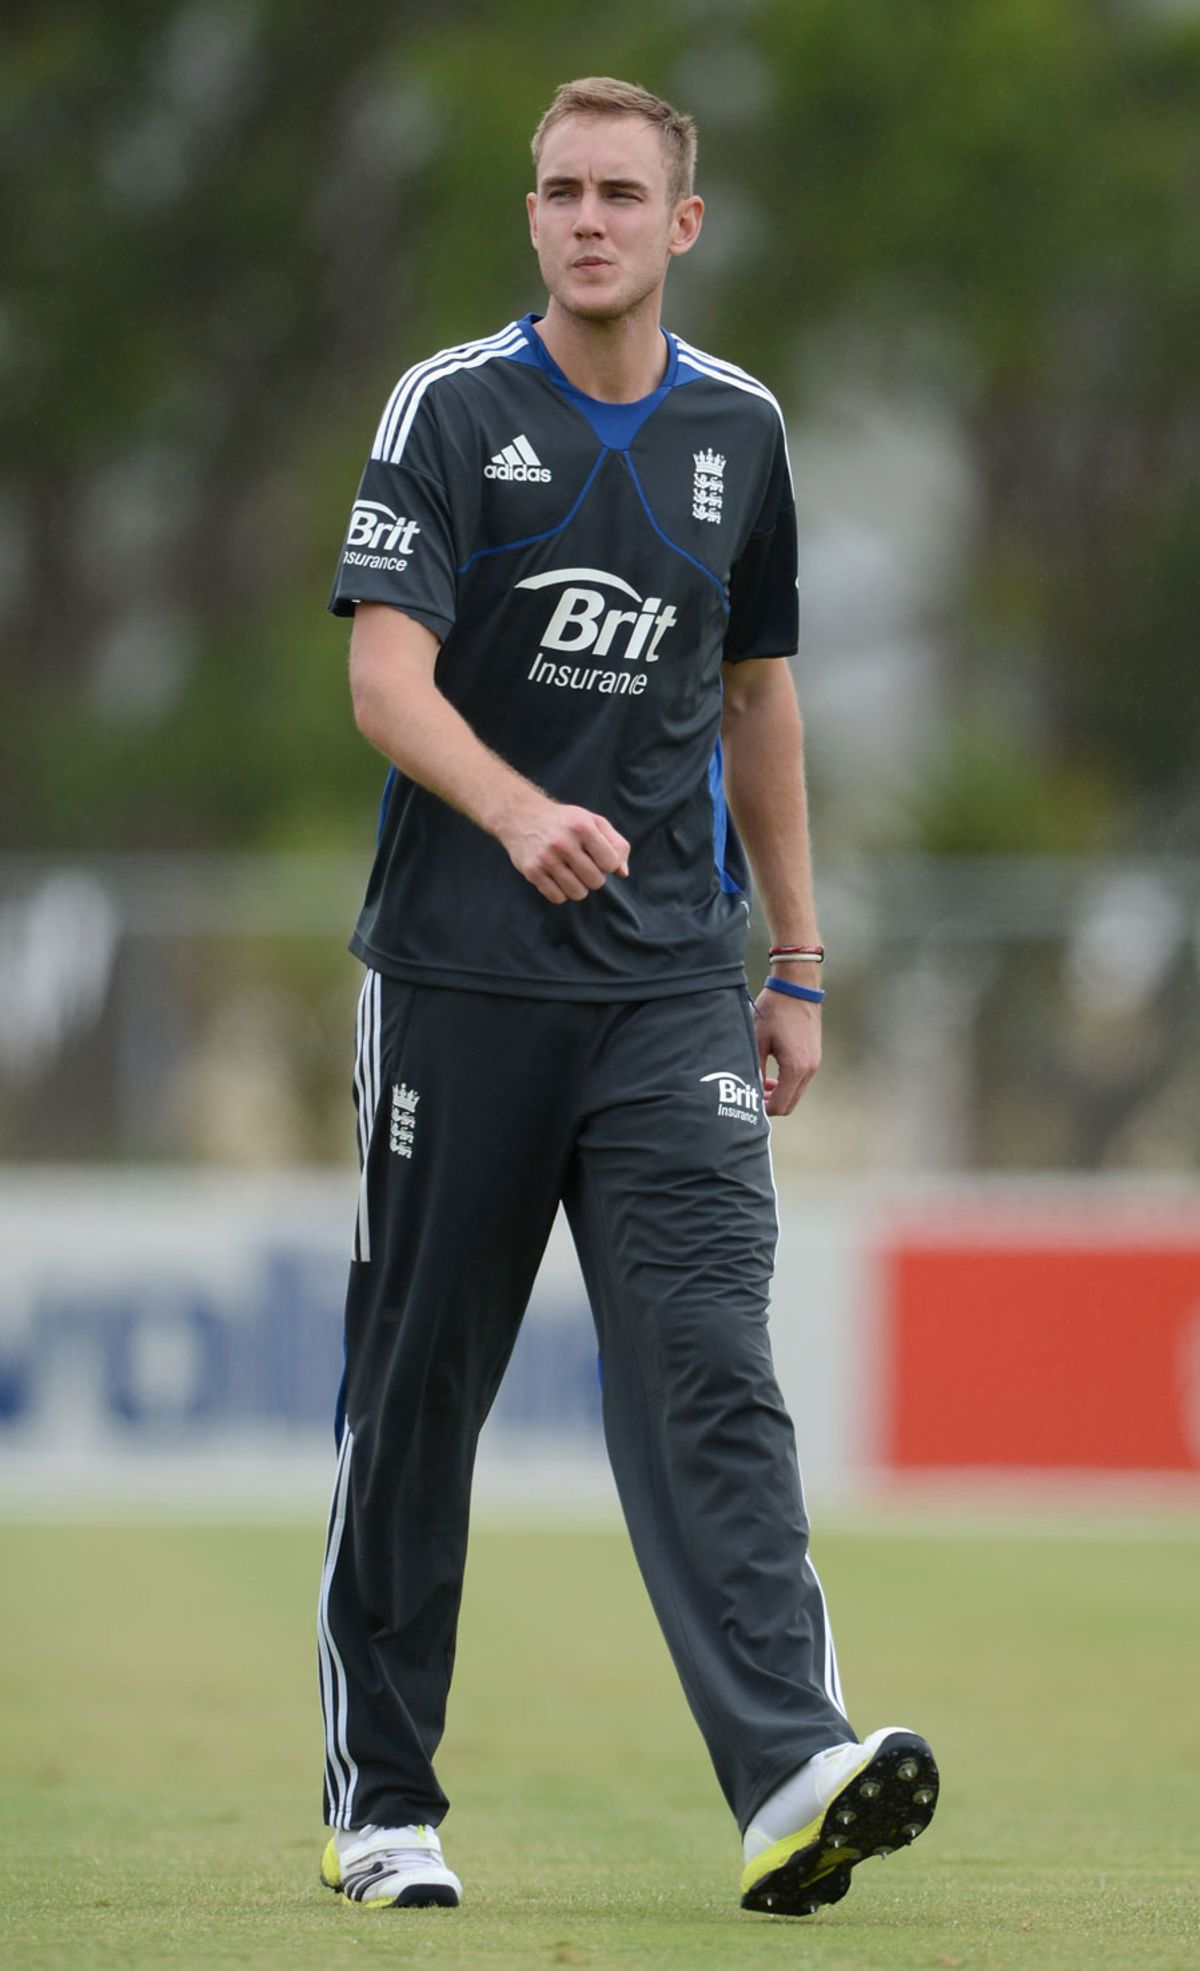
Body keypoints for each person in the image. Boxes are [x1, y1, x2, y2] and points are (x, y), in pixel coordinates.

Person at [316, 76, 938, 1919]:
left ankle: (791, 1774)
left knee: (711, 1370)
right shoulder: (446, 408)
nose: (587, 217)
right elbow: (382, 682)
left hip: (672, 991)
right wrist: (516, 812)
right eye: (559, 190)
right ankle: (385, 1807)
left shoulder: (741, 434)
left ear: (682, 225)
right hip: (453, 984)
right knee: (421, 1392)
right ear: (532, 217)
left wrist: (800, 966)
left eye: (621, 193)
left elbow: (760, 702)